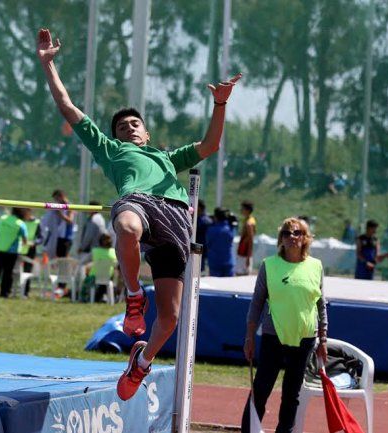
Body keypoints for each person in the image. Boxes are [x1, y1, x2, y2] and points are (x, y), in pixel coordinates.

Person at [37, 27, 241, 400]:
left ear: (146, 134)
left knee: (171, 318)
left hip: (177, 219)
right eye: (121, 126)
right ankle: (133, 295)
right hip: (139, 203)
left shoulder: (168, 158)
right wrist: (48, 65)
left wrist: (221, 104)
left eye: (134, 124)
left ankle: (141, 363)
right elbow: (67, 106)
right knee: (127, 226)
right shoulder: (111, 150)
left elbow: (211, 144)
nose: (128, 127)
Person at [242, 217, 328, 433]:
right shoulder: (269, 265)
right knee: (261, 390)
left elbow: (321, 304)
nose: (292, 237)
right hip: (274, 336)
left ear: (306, 238)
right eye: (287, 233)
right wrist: (250, 336)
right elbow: (257, 303)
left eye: (297, 233)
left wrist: (323, 338)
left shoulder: (315, 266)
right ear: (280, 238)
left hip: (305, 338)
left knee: (292, 394)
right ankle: (249, 430)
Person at [0, 208, 28, 298]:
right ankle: (4, 293)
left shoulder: (2, 218)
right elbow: (25, 240)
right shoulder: (20, 224)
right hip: (11, 251)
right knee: (7, 273)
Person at [205, 207, 236, 277]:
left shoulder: (211, 230)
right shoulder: (230, 228)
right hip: (228, 262)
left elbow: (208, 243)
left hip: (215, 263)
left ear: (216, 217)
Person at [88, 233, 118, 303]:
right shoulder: (114, 252)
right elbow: (117, 265)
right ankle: (105, 296)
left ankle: (92, 297)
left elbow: (83, 261)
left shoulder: (95, 251)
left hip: (94, 277)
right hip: (108, 277)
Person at [20, 208, 42, 297]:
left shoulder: (37, 222)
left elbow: (40, 237)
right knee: (14, 270)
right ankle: (9, 289)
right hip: (19, 249)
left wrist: (34, 243)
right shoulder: (21, 221)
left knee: (27, 271)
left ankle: (25, 291)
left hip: (30, 250)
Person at [235, 200, 256, 275]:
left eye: (242, 209)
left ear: (247, 210)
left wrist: (248, 257)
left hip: (244, 254)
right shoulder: (248, 220)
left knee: (241, 276)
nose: (241, 210)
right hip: (242, 252)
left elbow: (250, 240)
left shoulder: (249, 223)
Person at [196, 200, 212, 272]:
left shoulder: (205, 220)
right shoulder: (200, 219)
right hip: (198, 247)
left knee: (201, 269)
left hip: (203, 247)